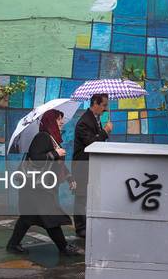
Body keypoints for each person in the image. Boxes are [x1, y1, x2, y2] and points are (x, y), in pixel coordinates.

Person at [6, 109, 84, 256]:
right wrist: (55, 153)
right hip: (36, 188)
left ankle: (13, 245)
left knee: (28, 217)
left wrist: (69, 178)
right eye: (59, 119)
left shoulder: (52, 139)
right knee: (50, 216)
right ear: (50, 121)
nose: (62, 122)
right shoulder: (42, 137)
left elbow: (57, 165)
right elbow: (36, 158)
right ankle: (64, 248)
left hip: (37, 187)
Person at [72, 93, 112, 238]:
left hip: (92, 164)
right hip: (82, 164)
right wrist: (105, 132)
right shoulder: (84, 121)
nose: (105, 108)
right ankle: (80, 227)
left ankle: (88, 223)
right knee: (81, 196)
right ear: (95, 103)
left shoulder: (96, 119)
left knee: (91, 195)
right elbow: (91, 143)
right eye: (104, 105)